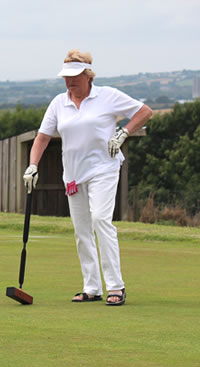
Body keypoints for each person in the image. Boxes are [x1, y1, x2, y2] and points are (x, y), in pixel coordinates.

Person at [22, 50, 152, 306]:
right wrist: (32, 166)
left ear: (87, 75)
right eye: (66, 78)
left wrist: (123, 133)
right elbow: (42, 137)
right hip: (73, 175)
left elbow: (145, 112)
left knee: (100, 220)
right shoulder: (59, 103)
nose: (70, 82)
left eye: (75, 77)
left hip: (104, 169)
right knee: (82, 230)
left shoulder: (107, 96)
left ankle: (116, 286)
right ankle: (91, 287)